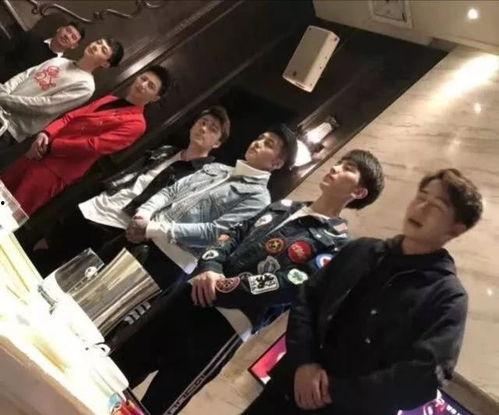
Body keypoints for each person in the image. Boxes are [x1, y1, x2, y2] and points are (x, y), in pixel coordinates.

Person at [110, 149, 385, 415]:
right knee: (121, 365)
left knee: (158, 402)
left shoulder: (336, 243)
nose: (335, 168)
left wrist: (220, 288)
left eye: (348, 168)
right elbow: (232, 234)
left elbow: (290, 283)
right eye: (340, 162)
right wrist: (210, 267)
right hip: (191, 293)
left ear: (358, 192)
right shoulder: (284, 206)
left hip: (227, 323)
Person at [243, 168, 483, 415]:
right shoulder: (361, 250)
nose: (421, 208)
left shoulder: (447, 296)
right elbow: (307, 298)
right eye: (421, 197)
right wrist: (305, 363)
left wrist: (332, 390)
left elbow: (424, 375)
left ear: (456, 229)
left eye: (437, 207)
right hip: (288, 388)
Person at [30, 105, 231, 275]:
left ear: (217, 143)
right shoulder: (167, 150)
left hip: (117, 228)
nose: (204, 128)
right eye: (202, 122)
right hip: (96, 205)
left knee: (66, 274)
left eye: (213, 129)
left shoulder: (202, 176)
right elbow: (126, 177)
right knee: (39, 253)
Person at [121, 126, 297, 292]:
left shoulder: (259, 197)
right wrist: (143, 215)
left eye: (268, 144)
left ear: (277, 163)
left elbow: (215, 234)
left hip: (169, 258)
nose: (258, 143)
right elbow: (171, 191)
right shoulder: (217, 168)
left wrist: (152, 228)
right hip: (142, 233)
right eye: (260, 138)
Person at [0, 65, 170, 216]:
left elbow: (94, 146)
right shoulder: (110, 99)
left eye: (151, 86)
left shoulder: (137, 123)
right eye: (143, 78)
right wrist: (45, 133)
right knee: (3, 187)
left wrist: (52, 145)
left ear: (155, 97)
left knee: (13, 210)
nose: (143, 85)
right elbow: (70, 116)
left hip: (57, 168)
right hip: (41, 148)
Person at [0, 37, 124, 157]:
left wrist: (4, 99)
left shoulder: (85, 85)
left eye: (103, 50)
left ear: (105, 64)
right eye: (98, 42)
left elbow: (46, 106)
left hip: (10, 127)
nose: (96, 47)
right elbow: (26, 74)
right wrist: (4, 91)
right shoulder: (60, 61)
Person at [0, 21, 85, 83]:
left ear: (74, 46)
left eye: (73, 37)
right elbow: (3, 50)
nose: (67, 36)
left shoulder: (58, 67)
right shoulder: (32, 37)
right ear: (59, 29)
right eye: (68, 30)